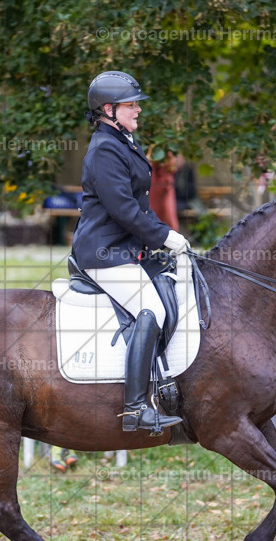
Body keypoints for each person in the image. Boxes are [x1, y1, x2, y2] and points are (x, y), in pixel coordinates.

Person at [70, 70, 190, 432]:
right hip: (103, 252)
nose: (138, 110)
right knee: (150, 309)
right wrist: (166, 236)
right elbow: (123, 210)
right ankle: (136, 408)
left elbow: (139, 204)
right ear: (108, 109)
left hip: (125, 248)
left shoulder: (123, 141)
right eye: (131, 104)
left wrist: (158, 239)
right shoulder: (105, 149)